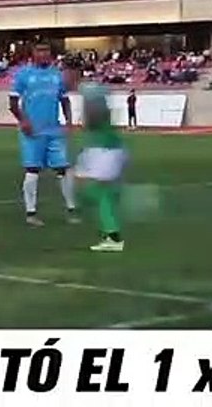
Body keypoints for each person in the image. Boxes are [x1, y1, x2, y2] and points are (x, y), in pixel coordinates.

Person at [9, 42, 79, 226]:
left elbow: (64, 100)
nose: (44, 53)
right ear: (33, 52)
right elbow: (13, 103)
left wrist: (69, 122)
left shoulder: (57, 75)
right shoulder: (23, 74)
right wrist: (24, 121)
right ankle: (31, 213)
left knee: (63, 169)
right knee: (32, 170)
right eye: (39, 50)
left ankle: (71, 209)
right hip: (33, 131)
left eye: (46, 50)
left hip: (54, 130)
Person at [75, 83, 127, 252]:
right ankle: (111, 230)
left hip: (105, 150)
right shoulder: (100, 111)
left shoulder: (97, 112)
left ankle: (113, 236)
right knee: (91, 188)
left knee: (98, 191)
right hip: (101, 149)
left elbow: (92, 122)